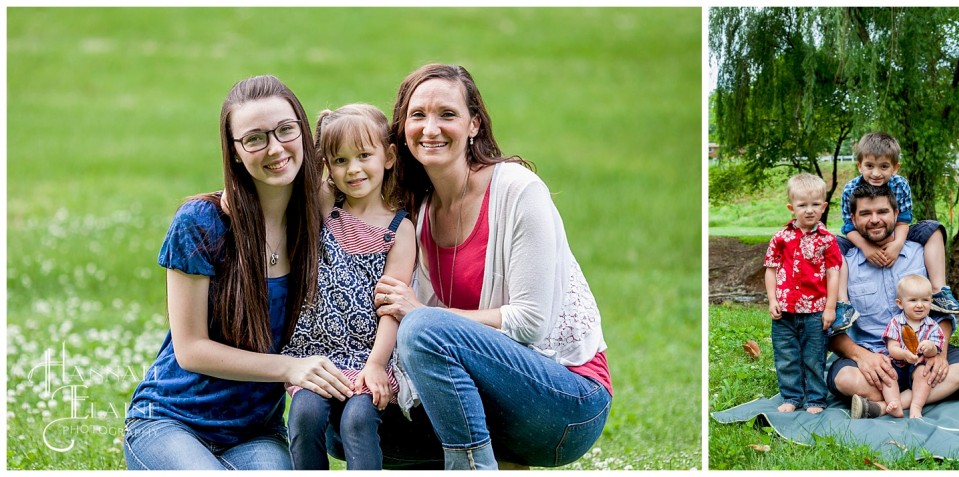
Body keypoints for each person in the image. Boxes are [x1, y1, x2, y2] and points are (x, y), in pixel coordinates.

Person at [371, 63, 612, 470]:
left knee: (424, 328)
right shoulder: (418, 214)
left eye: (447, 114)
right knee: (344, 418)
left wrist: (425, 315)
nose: (431, 128)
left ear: (473, 125)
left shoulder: (518, 190)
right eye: (418, 115)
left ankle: (473, 467)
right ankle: (493, 458)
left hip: (567, 402)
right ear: (403, 129)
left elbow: (530, 322)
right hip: (486, 402)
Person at [123, 75, 356, 470]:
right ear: (234, 152)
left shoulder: (321, 218)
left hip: (256, 431)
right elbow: (191, 349)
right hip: (170, 421)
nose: (276, 148)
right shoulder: (201, 223)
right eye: (255, 138)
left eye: (286, 130)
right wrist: (291, 366)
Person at [281, 104, 416, 470]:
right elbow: (300, 179)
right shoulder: (326, 203)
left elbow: (392, 307)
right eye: (339, 160)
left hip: (367, 355)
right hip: (315, 354)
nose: (353, 169)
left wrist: (375, 365)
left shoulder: (399, 230)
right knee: (306, 413)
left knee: (358, 418)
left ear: (388, 156)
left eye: (364, 156)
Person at [827, 183, 959, 419]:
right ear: (854, 221)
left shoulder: (921, 254)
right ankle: (941, 391)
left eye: (882, 212)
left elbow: (942, 313)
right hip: (875, 357)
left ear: (896, 214)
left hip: (921, 355)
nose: (874, 220)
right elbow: (832, 330)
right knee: (844, 379)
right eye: (865, 214)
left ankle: (881, 406)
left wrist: (940, 354)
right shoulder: (842, 264)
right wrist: (862, 356)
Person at [836, 132, 959, 315]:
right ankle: (842, 304)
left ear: (895, 167)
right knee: (831, 245)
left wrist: (897, 245)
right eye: (869, 166)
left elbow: (904, 219)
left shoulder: (900, 185)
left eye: (884, 166)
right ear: (859, 166)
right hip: (860, 234)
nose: (876, 173)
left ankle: (939, 292)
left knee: (933, 229)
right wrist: (866, 248)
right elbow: (849, 226)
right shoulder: (851, 189)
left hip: (896, 230)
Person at [763, 173, 843, 414]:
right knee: (786, 355)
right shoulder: (781, 238)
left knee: (814, 356)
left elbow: (833, 273)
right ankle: (792, 395)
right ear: (791, 208)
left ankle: (816, 398)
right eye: (802, 205)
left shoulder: (827, 240)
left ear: (824, 206)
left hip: (815, 312)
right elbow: (771, 269)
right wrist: (772, 300)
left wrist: (830, 308)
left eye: (815, 204)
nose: (809, 210)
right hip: (785, 312)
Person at [879, 274, 946, 418]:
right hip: (897, 364)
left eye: (925, 300)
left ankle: (916, 406)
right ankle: (895, 404)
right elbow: (892, 348)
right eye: (913, 300)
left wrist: (930, 348)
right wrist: (903, 354)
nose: (920, 305)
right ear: (900, 303)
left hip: (918, 365)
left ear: (931, 301)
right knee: (887, 375)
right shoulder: (896, 323)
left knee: (924, 374)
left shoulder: (932, 326)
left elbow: (936, 350)